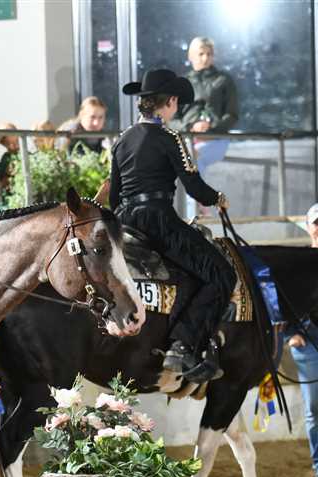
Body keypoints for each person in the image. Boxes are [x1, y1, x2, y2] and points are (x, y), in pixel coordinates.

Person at [110, 68, 236, 383]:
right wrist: (218, 198)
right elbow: (193, 187)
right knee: (222, 273)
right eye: (176, 102)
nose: (177, 108)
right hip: (158, 220)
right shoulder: (170, 138)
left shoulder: (122, 140)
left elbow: (113, 195)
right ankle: (183, 345)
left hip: (125, 219)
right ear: (169, 102)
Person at [170, 37, 239, 216]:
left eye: (209, 54)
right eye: (201, 54)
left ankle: (197, 210)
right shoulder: (181, 83)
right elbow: (171, 118)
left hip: (216, 139)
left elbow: (232, 115)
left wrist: (211, 128)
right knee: (191, 157)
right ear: (190, 56)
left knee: (193, 159)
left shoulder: (224, 80)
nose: (205, 58)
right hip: (187, 140)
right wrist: (190, 127)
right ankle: (199, 207)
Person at [287, 203, 318, 477]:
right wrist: (289, 335)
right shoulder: (297, 265)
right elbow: (281, 301)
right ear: (308, 227)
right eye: (316, 223)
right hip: (307, 342)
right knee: (314, 407)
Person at [0, 122, 18, 199]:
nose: (13, 145)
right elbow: (3, 183)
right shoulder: (5, 158)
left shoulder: (26, 154)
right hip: (11, 197)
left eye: (15, 142)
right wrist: (8, 173)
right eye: (8, 143)